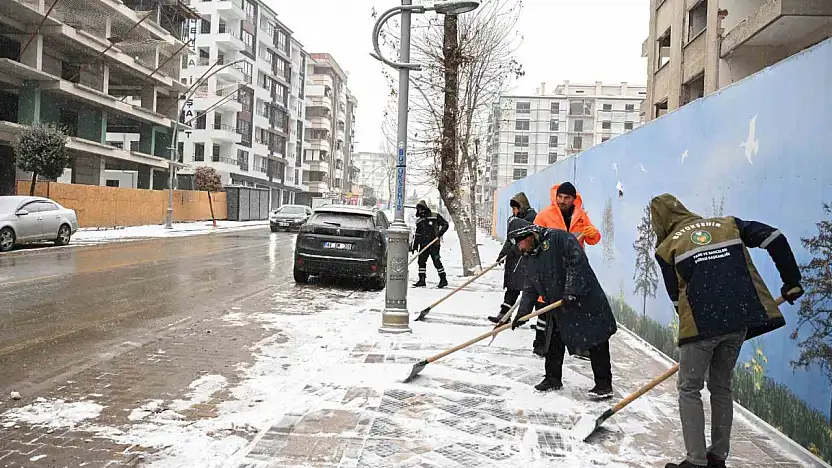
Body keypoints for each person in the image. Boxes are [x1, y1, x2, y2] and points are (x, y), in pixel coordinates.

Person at [650, 194, 804, 468]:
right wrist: (791, 280)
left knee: (689, 388)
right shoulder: (728, 224)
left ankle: (695, 461)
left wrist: (697, 337)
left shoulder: (667, 247)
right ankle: (718, 457)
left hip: (701, 326)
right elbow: (774, 237)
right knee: (721, 387)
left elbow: (676, 300)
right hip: (738, 320)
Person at [507, 217, 616, 399]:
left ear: (528, 236)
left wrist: (571, 291)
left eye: (519, 243)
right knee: (553, 342)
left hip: (584, 300)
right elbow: (530, 287)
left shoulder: (559, 238)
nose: (519, 248)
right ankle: (552, 378)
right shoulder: (531, 256)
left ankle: (604, 385)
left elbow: (577, 262)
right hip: (559, 305)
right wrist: (522, 314)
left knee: (596, 341)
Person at [532, 182, 600, 359]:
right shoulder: (544, 215)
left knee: (575, 308)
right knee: (546, 308)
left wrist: (593, 233)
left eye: (567, 198)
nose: (562, 201)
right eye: (560, 197)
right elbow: (534, 240)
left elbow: (593, 239)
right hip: (552, 268)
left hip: (574, 270)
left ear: (573, 199)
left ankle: (579, 346)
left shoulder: (581, 216)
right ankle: (540, 344)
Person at [489, 192, 537, 324]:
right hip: (515, 260)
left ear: (522, 207)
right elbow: (510, 239)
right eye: (513, 209)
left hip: (526, 258)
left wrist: (513, 251)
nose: (513, 211)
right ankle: (504, 314)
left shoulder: (533, 218)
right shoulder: (514, 220)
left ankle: (523, 317)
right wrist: (503, 254)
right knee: (512, 286)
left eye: (515, 208)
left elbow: (527, 241)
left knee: (528, 290)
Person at [411, 200, 450, 289]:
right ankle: (422, 280)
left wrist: (440, 233)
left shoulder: (435, 216)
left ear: (425, 208)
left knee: (436, 261)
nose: (420, 211)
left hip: (434, 244)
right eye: (419, 210)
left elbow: (445, 224)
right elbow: (417, 235)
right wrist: (415, 246)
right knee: (421, 261)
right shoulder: (419, 220)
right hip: (423, 245)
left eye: (422, 209)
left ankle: (443, 279)